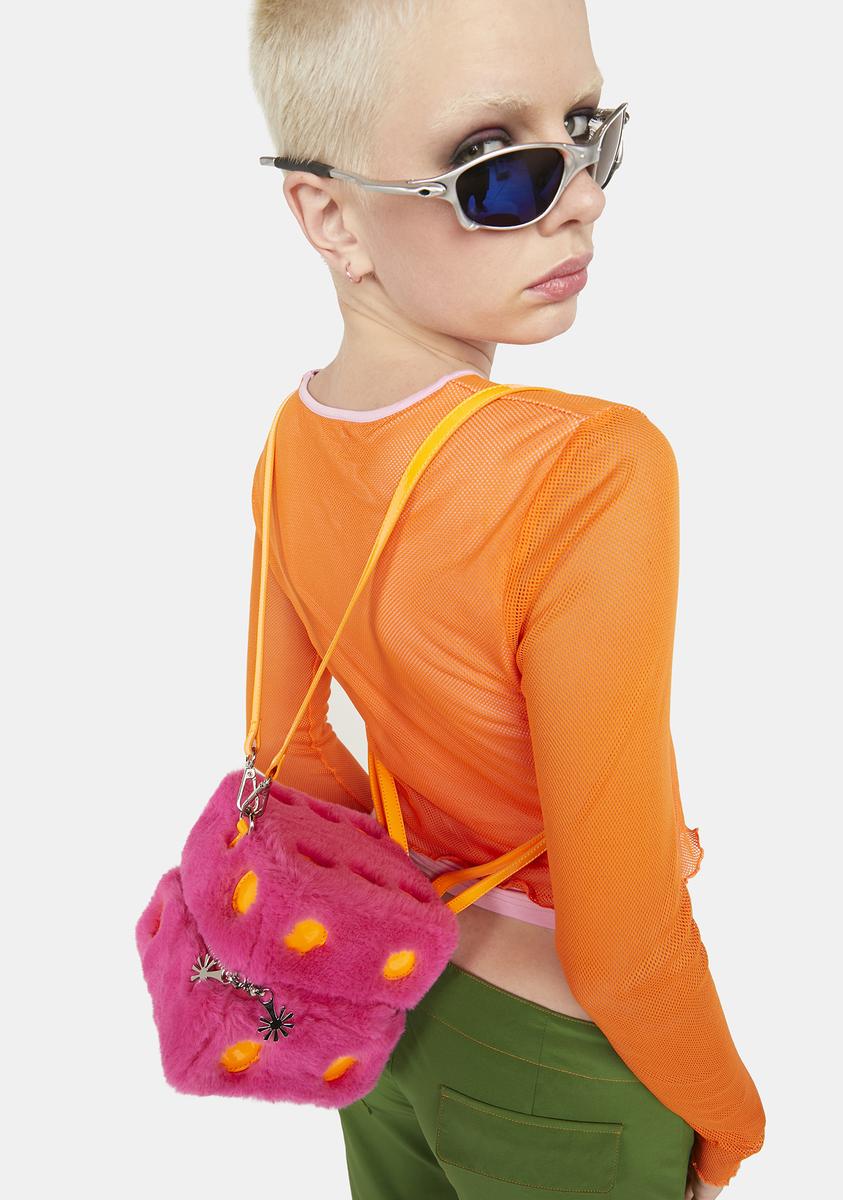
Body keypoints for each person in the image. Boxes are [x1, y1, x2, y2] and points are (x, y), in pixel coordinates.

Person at [246, 2, 765, 1197]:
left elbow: (291, 759)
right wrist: (729, 1115)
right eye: (495, 165)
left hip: (392, 1011)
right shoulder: (590, 468)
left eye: (586, 132)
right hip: (561, 1057)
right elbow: (621, 929)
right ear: (332, 217)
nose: (581, 197)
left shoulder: (288, 442)